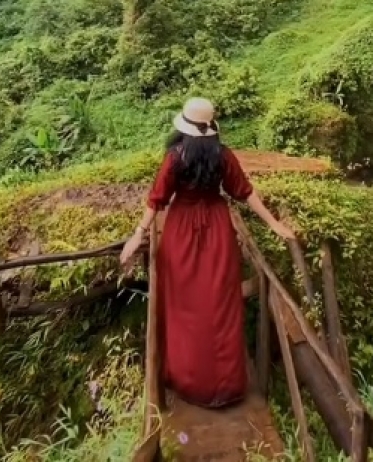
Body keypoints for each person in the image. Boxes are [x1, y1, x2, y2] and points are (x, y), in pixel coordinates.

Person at [120, 97, 296, 408]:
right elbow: (245, 192)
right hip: (217, 229)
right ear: (212, 129)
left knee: (184, 304)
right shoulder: (223, 155)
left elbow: (156, 200)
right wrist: (274, 224)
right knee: (220, 302)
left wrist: (138, 235)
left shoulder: (175, 157)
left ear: (184, 128)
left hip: (181, 232)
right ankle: (225, 384)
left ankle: (188, 377)